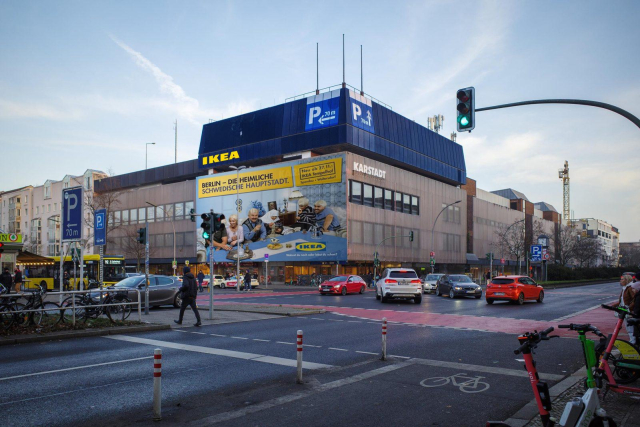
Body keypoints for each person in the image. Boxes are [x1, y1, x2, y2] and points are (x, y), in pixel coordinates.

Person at [612, 275, 636, 345]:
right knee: (628, 325)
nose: (620, 281)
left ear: (627, 280)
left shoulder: (630, 288)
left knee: (630, 325)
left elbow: (634, 299)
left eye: (622, 279)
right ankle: (632, 339)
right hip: (624, 309)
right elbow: (622, 301)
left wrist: (629, 307)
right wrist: (614, 306)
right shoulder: (624, 288)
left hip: (628, 310)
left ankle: (633, 340)